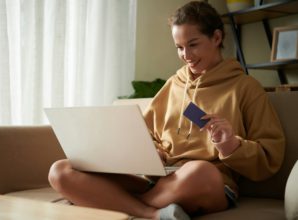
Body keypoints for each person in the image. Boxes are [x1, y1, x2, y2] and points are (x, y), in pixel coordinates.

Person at [48, 1, 285, 219]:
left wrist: (232, 146)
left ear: (216, 37)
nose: (186, 56)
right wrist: (153, 152)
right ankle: (154, 214)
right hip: (160, 181)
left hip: (209, 182)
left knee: (200, 171)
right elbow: (146, 134)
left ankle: (116, 203)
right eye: (179, 47)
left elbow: (270, 156)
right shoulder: (174, 84)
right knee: (61, 170)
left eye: (193, 45)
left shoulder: (246, 87)